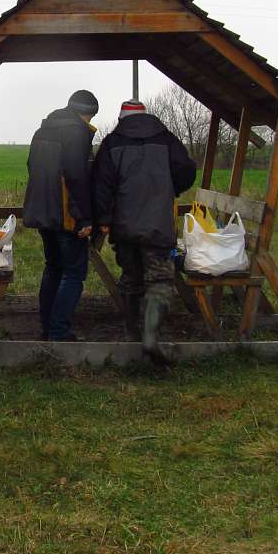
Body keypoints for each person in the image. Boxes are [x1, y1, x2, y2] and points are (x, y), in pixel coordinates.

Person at [92, 98, 196, 363]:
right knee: (160, 280)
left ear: (121, 118)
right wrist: (170, 189)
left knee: (131, 278)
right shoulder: (167, 139)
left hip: (124, 224)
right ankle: (151, 338)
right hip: (158, 223)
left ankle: (132, 334)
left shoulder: (112, 143)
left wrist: (104, 218)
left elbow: (100, 185)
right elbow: (186, 169)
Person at [22, 89, 99, 341]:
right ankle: (59, 331)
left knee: (53, 267)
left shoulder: (42, 130)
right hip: (66, 215)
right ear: (86, 113)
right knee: (74, 272)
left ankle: (47, 327)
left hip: (42, 211)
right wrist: (86, 218)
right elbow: (77, 177)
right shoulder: (77, 132)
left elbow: (31, 167)